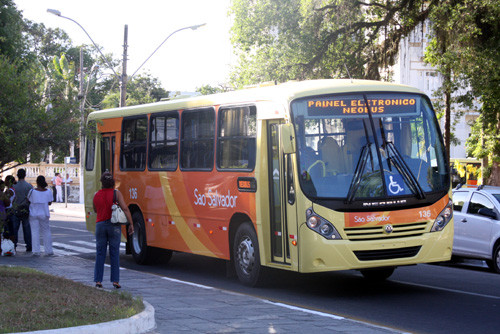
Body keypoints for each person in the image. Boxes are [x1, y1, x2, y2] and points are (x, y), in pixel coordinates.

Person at [93, 172, 134, 289]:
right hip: (113, 225)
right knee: (114, 253)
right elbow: (125, 208)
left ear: (102, 182)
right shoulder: (116, 193)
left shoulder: (96, 194)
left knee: (100, 253)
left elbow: (95, 209)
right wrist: (131, 223)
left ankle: (98, 281)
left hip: (100, 225)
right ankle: (115, 281)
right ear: (112, 182)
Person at [27, 176, 53, 256]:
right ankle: (48, 250)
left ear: (37, 182)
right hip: (44, 213)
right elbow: (50, 202)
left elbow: (28, 200)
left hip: (34, 214)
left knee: (34, 232)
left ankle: (36, 251)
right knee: (46, 232)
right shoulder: (48, 191)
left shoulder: (32, 191)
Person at [12, 168, 33, 253]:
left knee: (15, 229)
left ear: (17, 175)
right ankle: (29, 245)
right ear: (25, 175)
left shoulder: (14, 186)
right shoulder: (29, 186)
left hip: (15, 209)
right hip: (25, 209)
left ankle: (14, 245)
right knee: (27, 228)